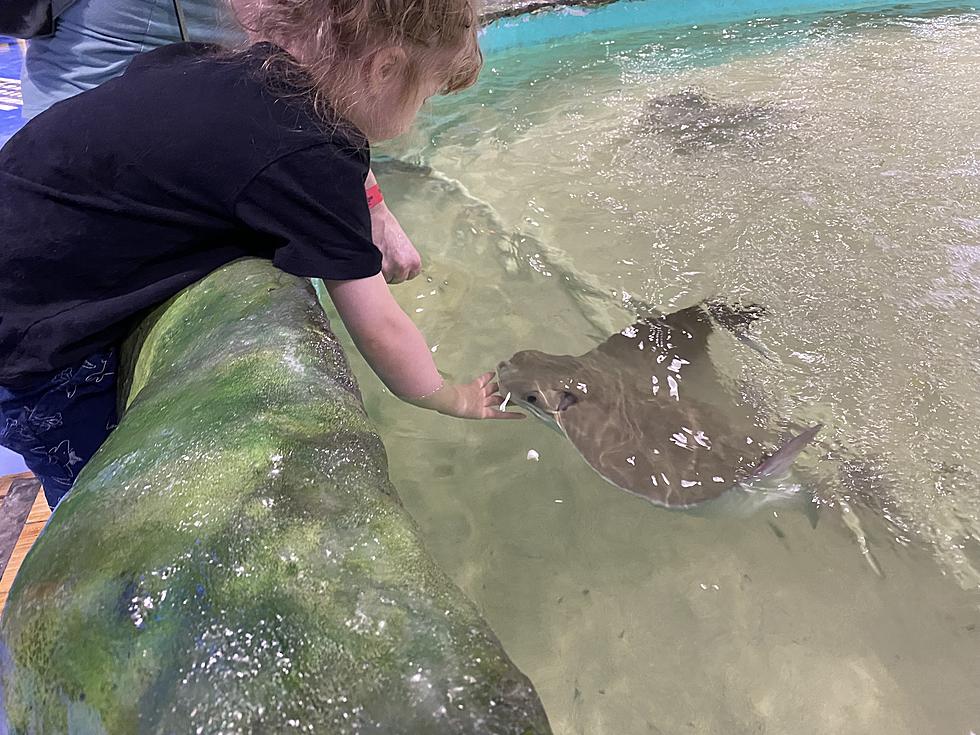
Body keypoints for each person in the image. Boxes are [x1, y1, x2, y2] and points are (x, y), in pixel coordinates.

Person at [0, 0, 521, 509]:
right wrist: (448, 397)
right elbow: (380, 324)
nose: (418, 116)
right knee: (103, 494)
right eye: (425, 96)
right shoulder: (313, 153)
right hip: (29, 338)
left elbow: (143, 93)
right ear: (386, 68)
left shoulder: (217, 62)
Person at [21, 0, 422, 285]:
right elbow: (300, 80)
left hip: (53, 139)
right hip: (78, 210)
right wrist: (368, 203)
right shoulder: (280, 75)